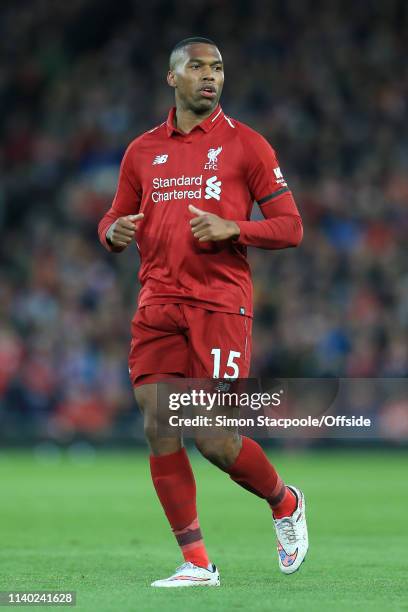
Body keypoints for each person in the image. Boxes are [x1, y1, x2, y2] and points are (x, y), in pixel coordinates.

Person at [98, 36, 307, 588]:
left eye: (217, 68)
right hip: (157, 302)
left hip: (218, 303)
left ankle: (284, 501)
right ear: (173, 78)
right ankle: (196, 564)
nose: (210, 76)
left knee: (214, 437)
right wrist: (112, 232)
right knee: (159, 424)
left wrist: (235, 226)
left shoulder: (248, 146)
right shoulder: (142, 150)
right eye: (197, 67)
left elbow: (291, 227)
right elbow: (115, 217)